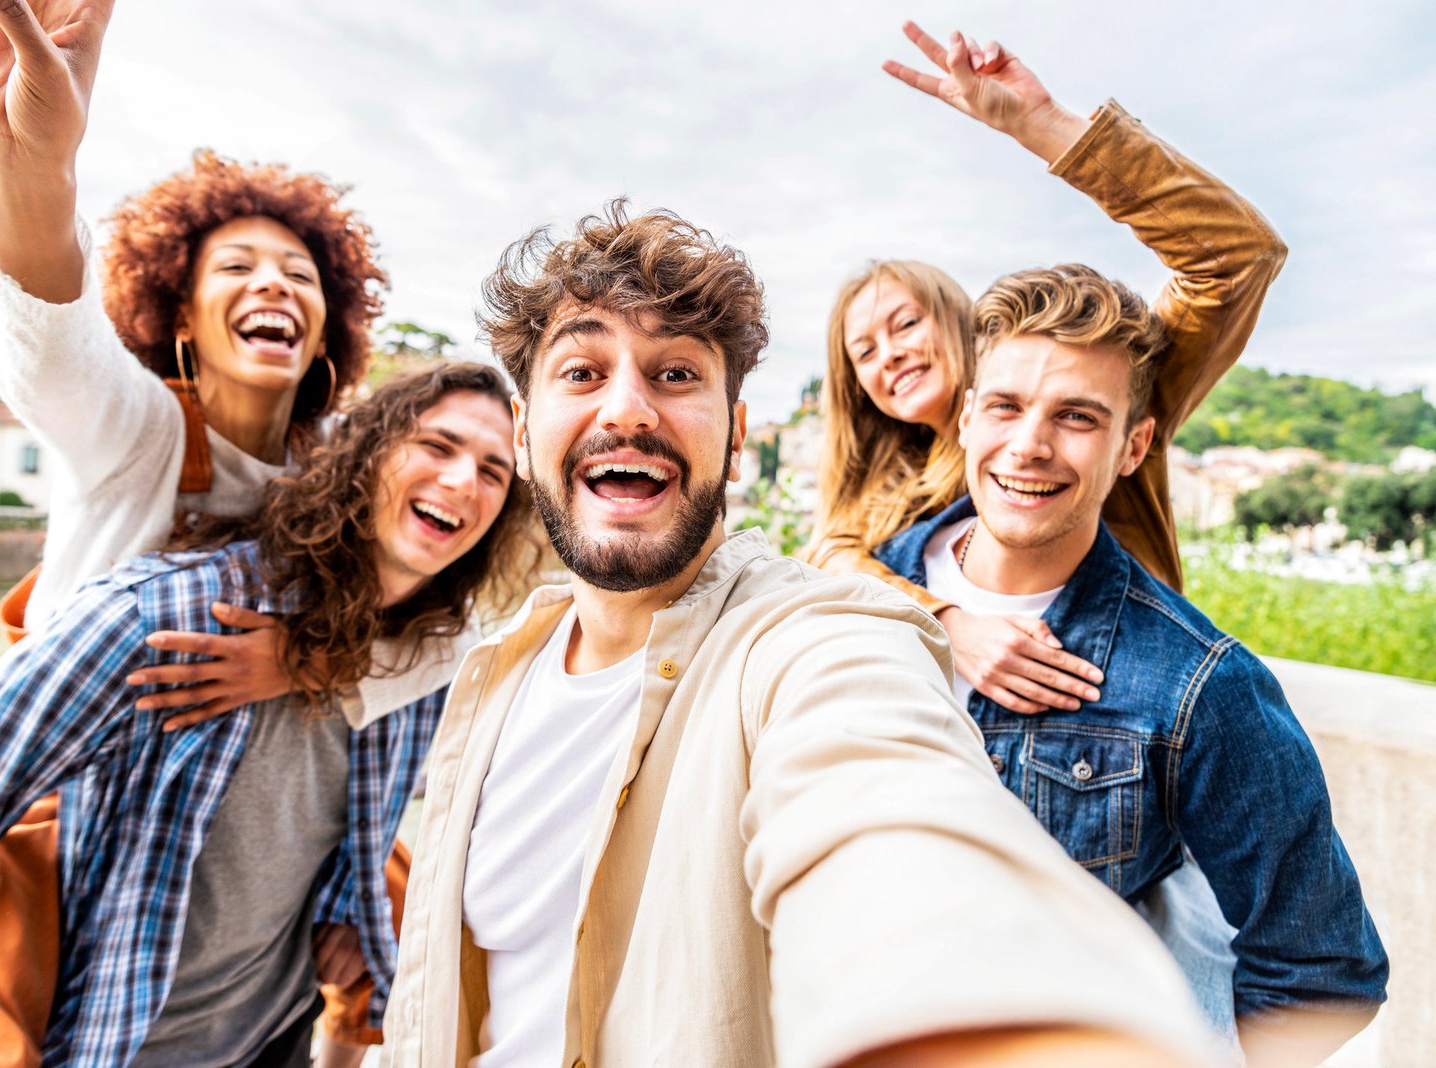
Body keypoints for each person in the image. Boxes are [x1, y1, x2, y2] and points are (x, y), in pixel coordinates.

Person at [382, 202, 1219, 1068]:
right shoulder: (498, 668)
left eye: (675, 375)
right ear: (523, 434)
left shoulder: (814, 642)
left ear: (738, 437)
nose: (627, 409)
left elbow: (879, 780)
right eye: (583, 372)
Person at [0, 1, 401, 1063]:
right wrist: (30, 160)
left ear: (330, 321)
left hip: (265, 949)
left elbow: (446, 614)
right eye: (235, 267)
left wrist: (303, 658)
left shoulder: (348, 481)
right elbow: (47, 320)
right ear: (179, 316)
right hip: (103, 939)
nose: (273, 282)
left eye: (299, 273)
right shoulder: (134, 430)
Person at [0, 363, 537, 1067]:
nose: (460, 483)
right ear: (367, 454)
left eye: (493, 471)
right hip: (116, 1042)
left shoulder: (432, 663)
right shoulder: (165, 619)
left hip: (274, 1036)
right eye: (437, 447)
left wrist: (351, 904)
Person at [871, 264, 1388, 1067]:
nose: (1030, 445)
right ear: (968, 418)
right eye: (1006, 406)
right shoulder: (851, 600)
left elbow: (1322, 971)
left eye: (1077, 416)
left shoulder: (1196, 683)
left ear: (1132, 447)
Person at [807, 22, 1287, 716]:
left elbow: (1234, 259)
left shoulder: (1097, 392)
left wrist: (1046, 127)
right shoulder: (882, 495)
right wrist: (944, 623)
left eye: (905, 323)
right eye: (865, 352)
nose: (892, 355)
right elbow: (829, 561)